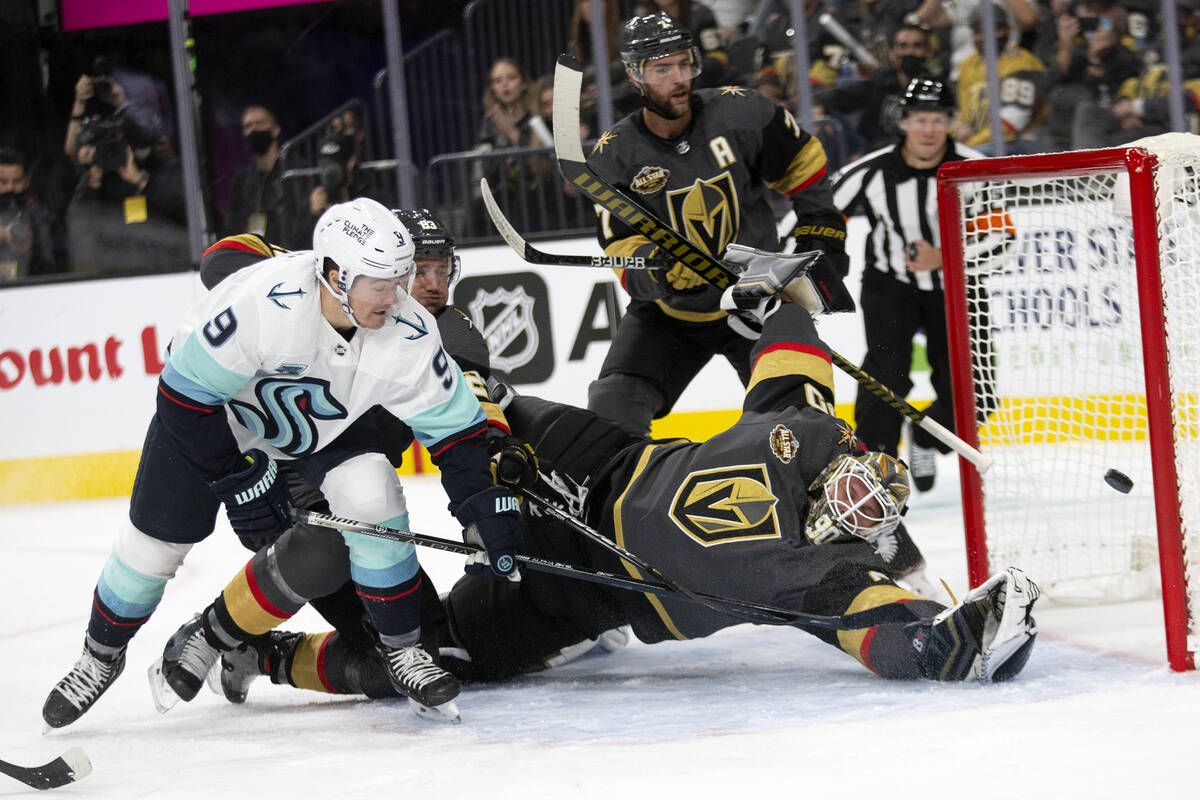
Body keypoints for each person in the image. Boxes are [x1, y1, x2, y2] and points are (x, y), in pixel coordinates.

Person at [205, 265, 1039, 702]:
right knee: (479, 406)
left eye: (867, 515)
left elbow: (910, 643)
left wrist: (956, 634)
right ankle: (302, 460)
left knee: (440, 655)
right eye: (856, 483)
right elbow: (787, 338)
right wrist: (773, 291)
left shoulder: (830, 585)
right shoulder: (812, 432)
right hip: (592, 463)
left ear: (869, 542)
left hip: (584, 592)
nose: (852, 502)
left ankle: (271, 658)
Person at [41, 198, 523, 728]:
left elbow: (458, 434)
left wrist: (484, 511)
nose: (399, 296)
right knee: (153, 549)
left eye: (401, 278)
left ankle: (403, 649)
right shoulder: (265, 305)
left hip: (322, 428)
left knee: (373, 495)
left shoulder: (407, 330)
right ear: (336, 276)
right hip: (217, 419)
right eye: (380, 283)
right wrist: (237, 478)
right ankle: (100, 655)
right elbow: (183, 397)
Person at [585, 11, 849, 437]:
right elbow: (622, 250)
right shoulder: (614, 156)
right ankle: (622, 500)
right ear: (635, 76)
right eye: (662, 68)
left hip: (756, 298)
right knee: (611, 411)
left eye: (684, 63)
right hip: (668, 316)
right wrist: (660, 269)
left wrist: (820, 235)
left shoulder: (742, 112)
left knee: (804, 419)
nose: (679, 78)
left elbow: (806, 168)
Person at [830, 79, 991, 492]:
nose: (929, 130)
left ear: (952, 123)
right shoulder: (872, 169)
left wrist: (947, 257)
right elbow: (819, 212)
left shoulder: (973, 168)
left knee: (978, 391)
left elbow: (1002, 237)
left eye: (938, 120)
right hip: (890, 285)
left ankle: (924, 437)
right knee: (884, 377)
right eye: (920, 119)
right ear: (904, 122)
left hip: (956, 288)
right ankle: (876, 475)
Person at [815, 23, 941, 150]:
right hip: (875, 155)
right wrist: (819, 106)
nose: (909, 52)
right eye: (903, 46)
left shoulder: (938, 89)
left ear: (927, 52)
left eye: (917, 46)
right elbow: (833, 97)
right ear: (892, 53)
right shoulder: (879, 83)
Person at [952, 1, 1051, 154]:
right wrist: (958, 132)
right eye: (979, 31)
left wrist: (968, 147)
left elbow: (1012, 122)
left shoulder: (1022, 63)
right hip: (979, 144)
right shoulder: (968, 64)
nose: (985, 36)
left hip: (1020, 142)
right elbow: (963, 114)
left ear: (1008, 30)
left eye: (993, 29)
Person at [221, 104, 286, 241]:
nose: (254, 129)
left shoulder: (293, 170)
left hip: (290, 253)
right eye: (248, 126)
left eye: (260, 123)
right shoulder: (241, 180)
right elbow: (233, 223)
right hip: (256, 256)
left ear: (275, 129)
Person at [0, 147, 56, 280]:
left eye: (17, 181)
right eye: (3, 182)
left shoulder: (38, 214)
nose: (10, 187)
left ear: (27, 180)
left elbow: (48, 267)